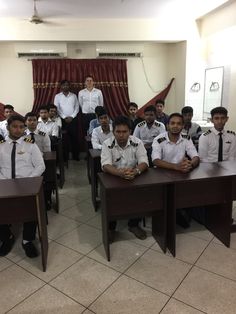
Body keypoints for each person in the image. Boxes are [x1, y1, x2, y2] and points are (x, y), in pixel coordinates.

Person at [0, 115, 45, 258]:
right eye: (14, 126)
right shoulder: (0, 145)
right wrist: (3, 181)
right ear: (8, 128)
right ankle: (7, 238)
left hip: (26, 186)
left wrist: (28, 181)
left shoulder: (30, 144)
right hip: (4, 185)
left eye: (21, 127)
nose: (18, 130)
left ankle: (27, 240)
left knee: (31, 211)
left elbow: (40, 166)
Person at [101, 115, 149, 242]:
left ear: (130, 132)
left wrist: (136, 171)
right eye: (118, 132)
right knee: (111, 198)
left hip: (133, 176)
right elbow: (106, 165)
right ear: (113, 132)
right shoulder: (107, 144)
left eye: (124, 132)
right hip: (114, 178)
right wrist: (119, 173)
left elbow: (144, 161)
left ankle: (133, 225)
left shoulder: (137, 142)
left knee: (142, 194)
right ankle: (111, 228)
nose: (121, 135)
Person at [152, 113, 199, 228]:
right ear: (167, 125)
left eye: (179, 123)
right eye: (172, 123)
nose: (175, 126)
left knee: (194, 192)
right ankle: (174, 213)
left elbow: (196, 157)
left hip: (181, 174)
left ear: (183, 126)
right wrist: (176, 167)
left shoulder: (186, 138)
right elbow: (155, 160)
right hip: (162, 175)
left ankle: (182, 212)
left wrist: (190, 164)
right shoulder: (159, 139)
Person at [54, 79, 80, 160]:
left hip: (73, 120)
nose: (65, 86)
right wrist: (64, 117)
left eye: (67, 85)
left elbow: (77, 107)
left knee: (74, 139)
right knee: (64, 140)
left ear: (69, 86)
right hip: (62, 121)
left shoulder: (74, 96)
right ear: (61, 86)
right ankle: (65, 158)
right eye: (63, 85)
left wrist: (72, 116)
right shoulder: (57, 96)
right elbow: (56, 109)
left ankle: (76, 156)